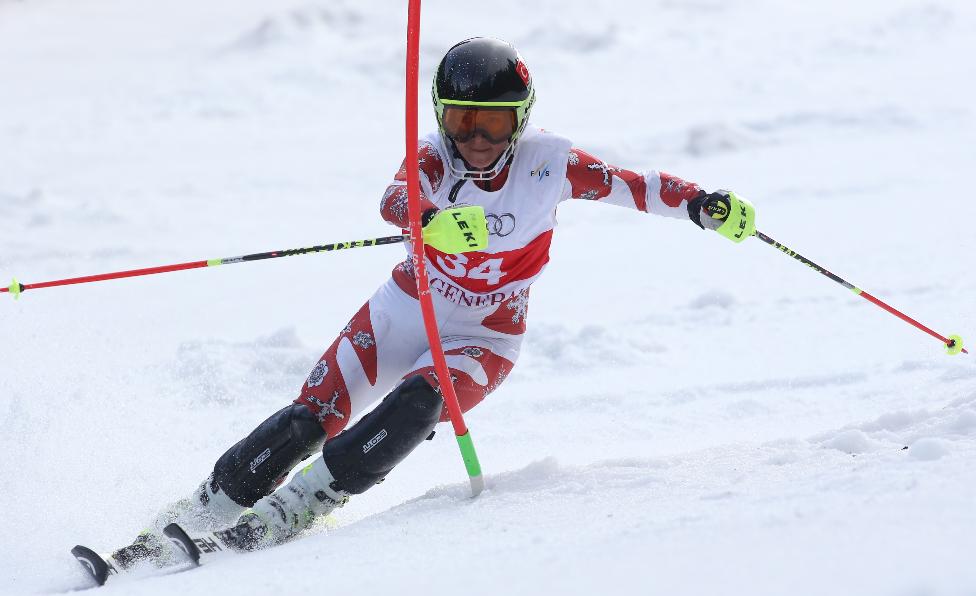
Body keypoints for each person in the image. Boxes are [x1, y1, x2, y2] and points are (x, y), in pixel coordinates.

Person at [117, 36, 755, 559]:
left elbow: (635, 185)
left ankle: (300, 506)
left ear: (520, 119)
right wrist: (430, 221)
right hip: (404, 311)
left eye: (494, 123)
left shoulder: (550, 163)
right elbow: (395, 198)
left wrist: (703, 205)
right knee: (310, 417)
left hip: (486, 337)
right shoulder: (430, 157)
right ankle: (200, 512)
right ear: (440, 115)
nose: (477, 140)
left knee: (419, 402)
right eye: (461, 120)